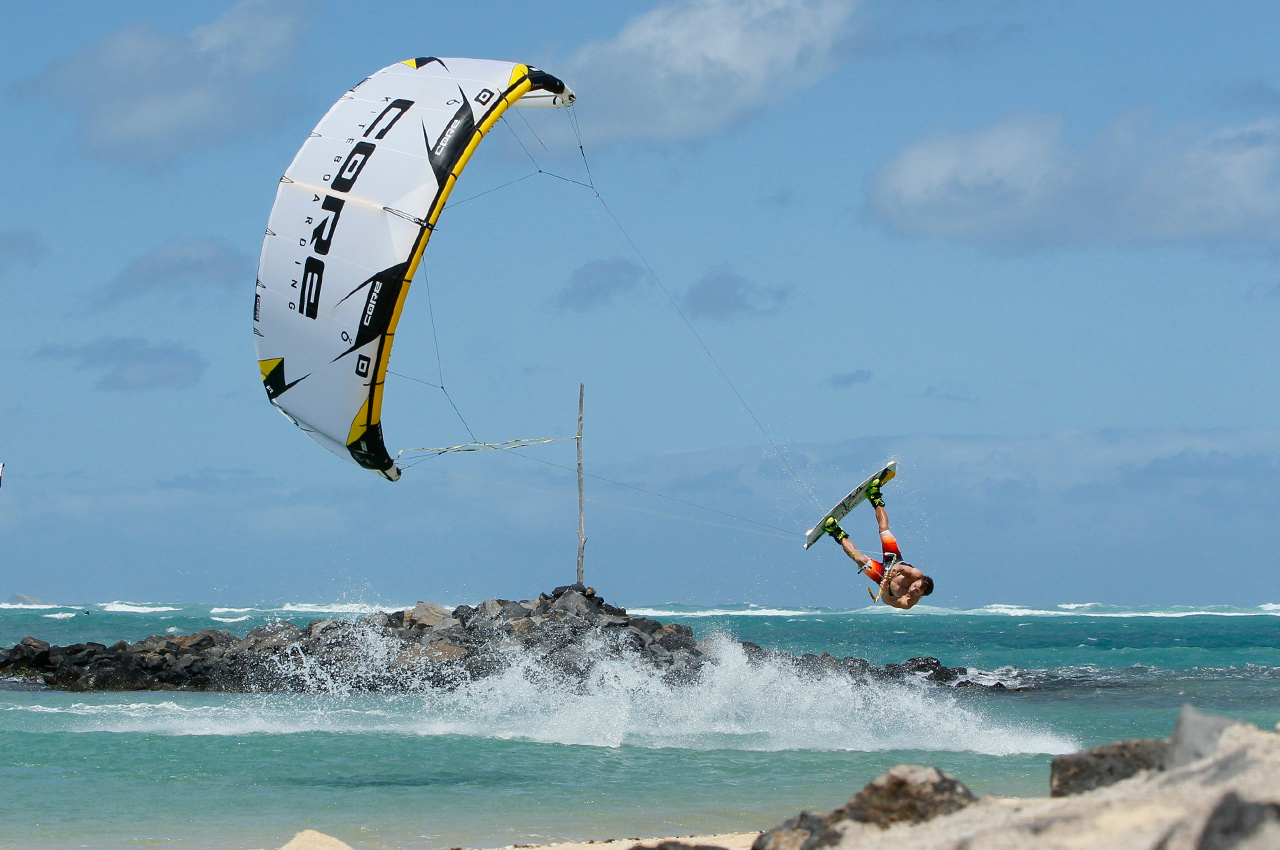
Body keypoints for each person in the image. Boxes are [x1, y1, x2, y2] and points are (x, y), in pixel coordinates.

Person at [822, 477, 934, 609]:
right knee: (883, 530)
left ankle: (836, 532)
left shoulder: (908, 602)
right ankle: (875, 497)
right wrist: (895, 570)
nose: (913, 589)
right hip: (894, 560)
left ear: (920, 595)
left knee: (858, 559)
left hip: (881, 577)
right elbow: (903, 569)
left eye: (917, 591)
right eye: (915, 586)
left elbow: (888, 601)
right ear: (916, 581)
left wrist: (886, 588)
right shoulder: (917, 575)